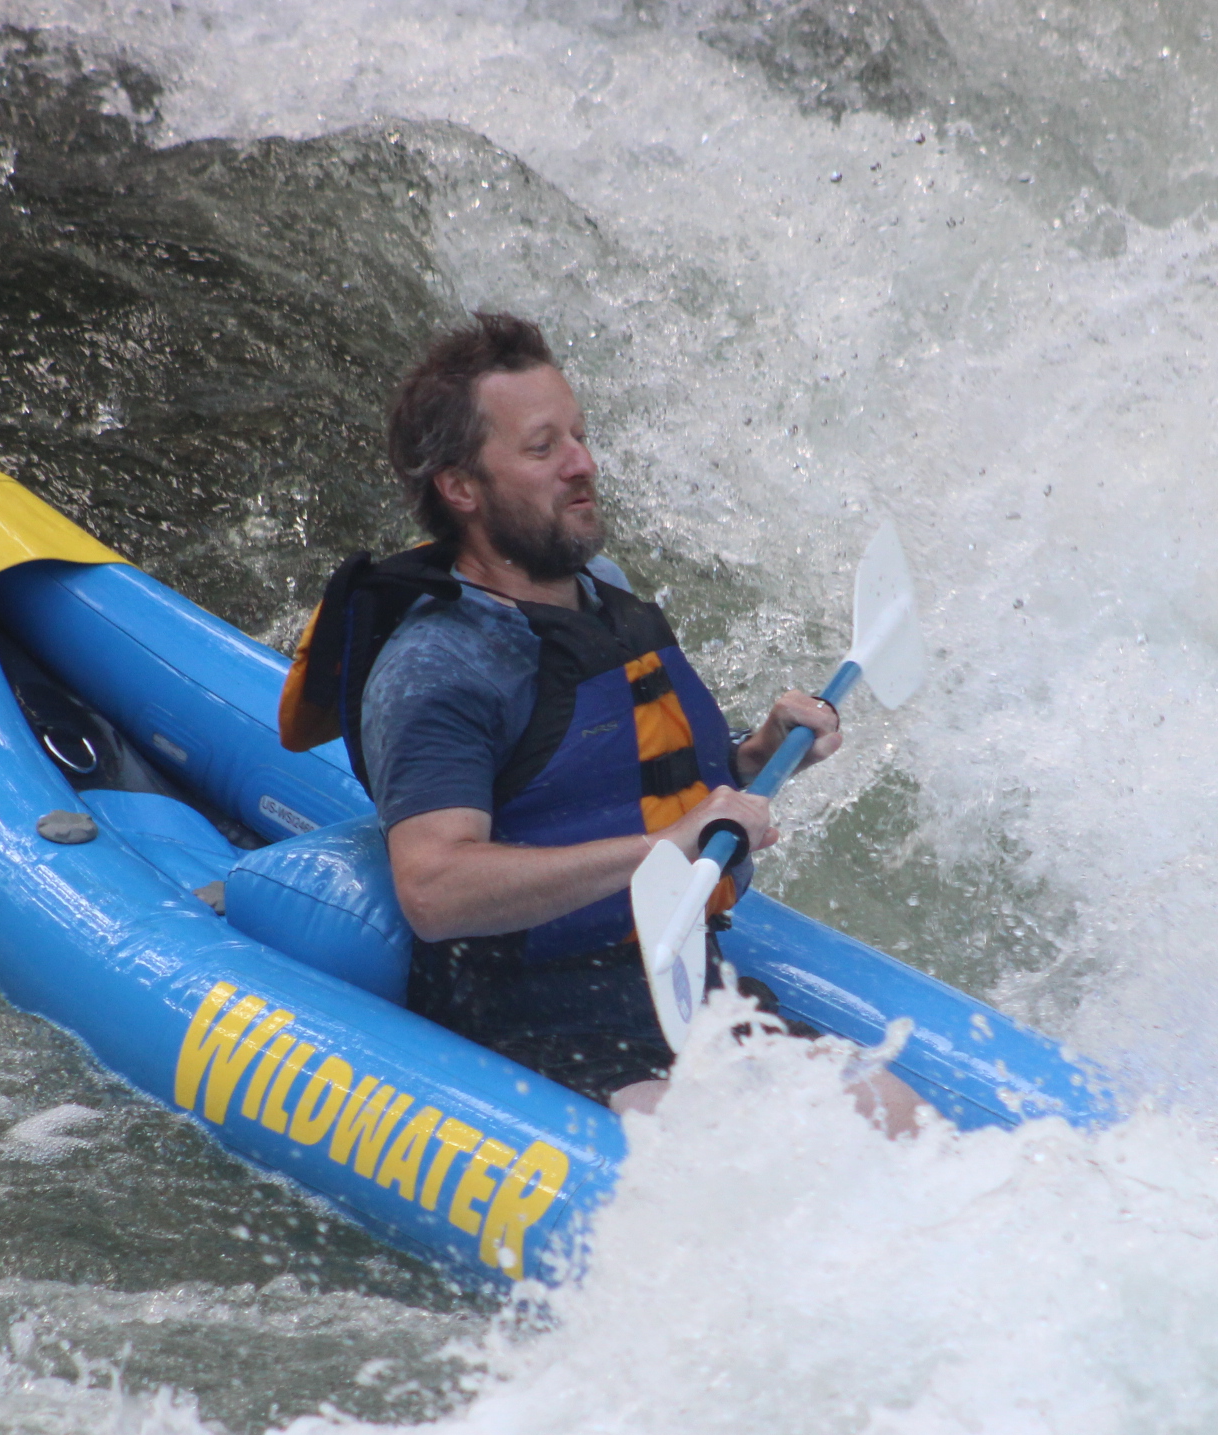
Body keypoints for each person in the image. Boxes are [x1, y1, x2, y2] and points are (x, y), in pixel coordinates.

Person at [280, 312, 917, 1129]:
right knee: (730, 1150)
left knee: (895, 1114)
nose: (582, 464)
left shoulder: (598, 591)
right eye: (542, 448)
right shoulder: (441, 666)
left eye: (578, 436)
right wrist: (666, 848)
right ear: (461, 487)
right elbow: (434, 890)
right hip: (532, 1020)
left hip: (684, 982)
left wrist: (756, 755)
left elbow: (620, 783)